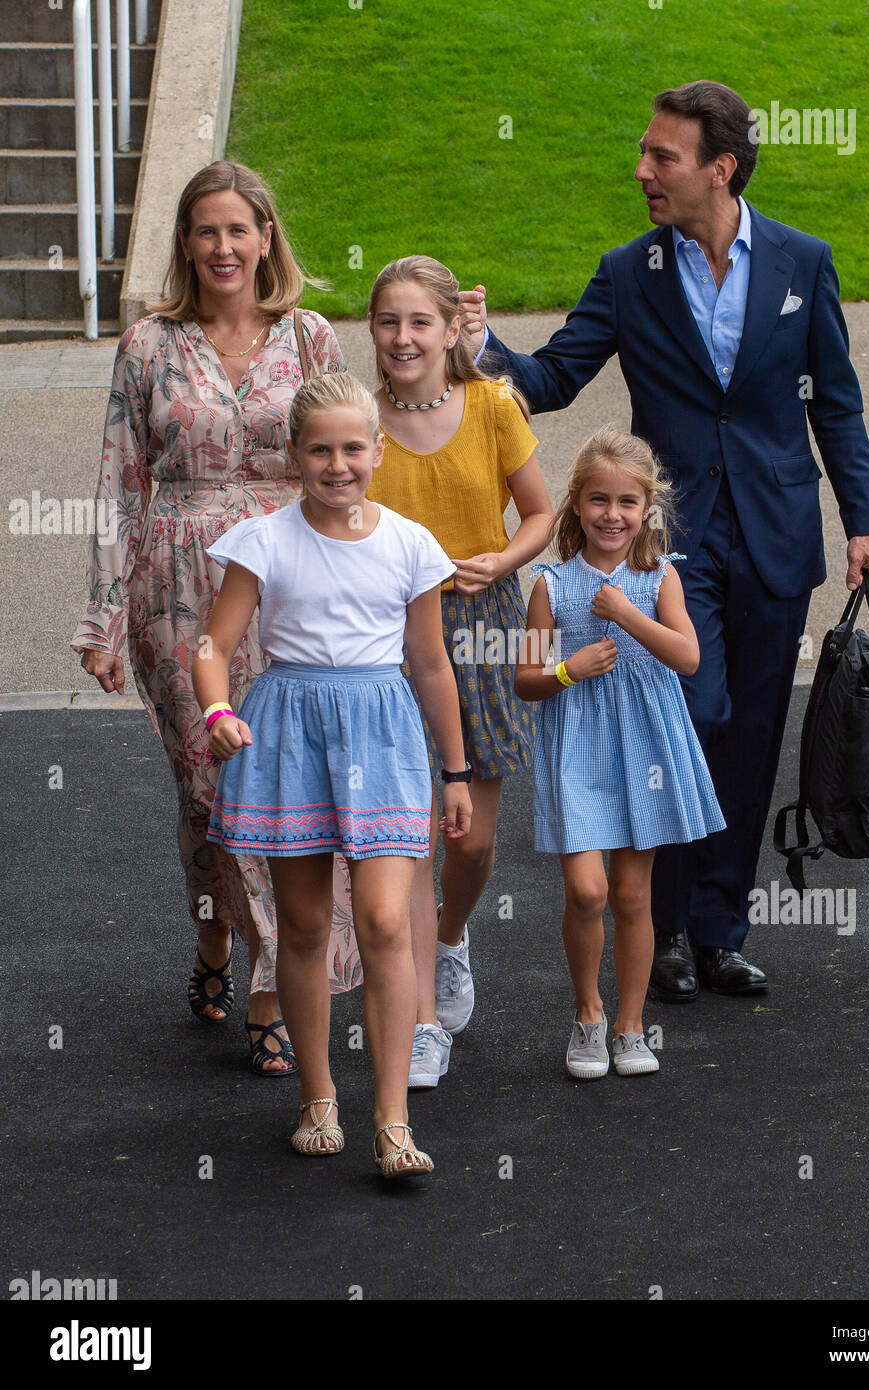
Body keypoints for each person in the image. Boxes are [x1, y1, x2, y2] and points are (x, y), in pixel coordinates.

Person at [463, 80, 869, 1002]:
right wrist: (481, 345)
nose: (643, 171)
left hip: (776, 531)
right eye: (646, 154)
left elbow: (839, 404)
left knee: (750, 736)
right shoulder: (628, 274)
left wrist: (865, 519)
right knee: (691, 716)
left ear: (719, 169)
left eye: (663, 157)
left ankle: (719, 933)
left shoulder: (803, 263)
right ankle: (653, 923)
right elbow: (551, 379)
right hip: (669, 543)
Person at [71, 160, 358, 1076]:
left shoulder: (310, 337)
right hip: (177, 594)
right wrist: (102, 618)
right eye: (207, 231)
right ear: (186, 243)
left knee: (290, 795)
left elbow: (352, 455)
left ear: (267, 236)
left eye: (241, 229)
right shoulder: (150, 344)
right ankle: (214, 943)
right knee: (210, 795)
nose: (225, 247)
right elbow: (120, 480)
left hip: (290, 585)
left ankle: (272, 987)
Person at [194, 371, 472, 1174]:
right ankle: (319, 1096)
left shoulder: (412, 544)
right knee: (307, 925)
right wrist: (218, 712)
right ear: (295, 455)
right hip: (289, 735)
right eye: (320, 449)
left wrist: (455, 771)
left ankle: (392, 1119)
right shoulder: (264, 539)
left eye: (354, 447)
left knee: (387, 921)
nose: (338, 464)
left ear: (379, 450)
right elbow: (214, 645)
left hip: (383, 737)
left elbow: (430, 664)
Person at [365, 256, 555, 1087]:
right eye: (388, 323)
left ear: (451, 330)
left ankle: (448, 937)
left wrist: (500, 558)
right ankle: (421, 1023)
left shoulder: (492, 405)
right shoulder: (359, 420)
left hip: (480, 630)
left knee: (469, 838)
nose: (403, 339)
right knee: (407, 836)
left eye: (419, 323)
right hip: (388, 639)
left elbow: (543, 513)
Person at [516, 428, 724, 1077]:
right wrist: (567, 671)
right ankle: (587, 1016)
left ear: (646, 509)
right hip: (577, 740)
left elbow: (689, 656)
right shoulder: (549, 585)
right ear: (577, 505)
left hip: (647, 744)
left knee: (634, 896)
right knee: (587, 890)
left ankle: (632, 1027)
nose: (613, 514)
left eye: (627, 502)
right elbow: (524, 680)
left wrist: (628, 615)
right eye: (599, 500)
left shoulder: (659, 576)